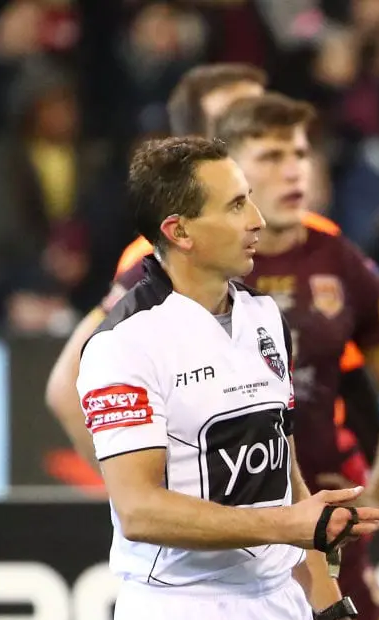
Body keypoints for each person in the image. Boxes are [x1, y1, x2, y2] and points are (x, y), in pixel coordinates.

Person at [77, 136, 379, 620]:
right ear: (180, 232)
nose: (258, 220)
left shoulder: (263, 316)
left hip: (283, 611)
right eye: (236, 205)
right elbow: (139, 511)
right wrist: (286, 525)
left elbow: (284, 471)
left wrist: (334, 616)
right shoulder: (123, 344)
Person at [210, 93, 379, 620]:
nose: (293, 170)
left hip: (323, 526)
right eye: (271, 156)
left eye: (300, 154)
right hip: (228, 544)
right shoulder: (186, 260)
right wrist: (141, 495)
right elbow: (73, 384)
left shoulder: (337, 256)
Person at [46, 63, 268, 465]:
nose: (259, 133)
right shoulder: (158, 255)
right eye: (235, 123)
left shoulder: (320, 238)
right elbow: (67, 386)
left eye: (263, 116)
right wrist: (139, 489)